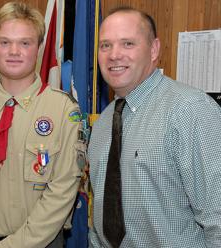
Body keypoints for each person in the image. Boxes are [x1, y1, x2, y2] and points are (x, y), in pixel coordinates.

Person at [0, 2, 83, 247]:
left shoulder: (63, 109)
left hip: (44, 242)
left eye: (25, 43)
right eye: (4, 42)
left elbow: (63, 190)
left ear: (39, 48)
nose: (14, 51)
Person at [88, 7, 221, 247]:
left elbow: (218, 219)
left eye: (128, 43)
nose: (114, 55)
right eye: (105, 45)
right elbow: (101, 221)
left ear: (154, 50)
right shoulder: (102, 125)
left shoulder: (190, 110)